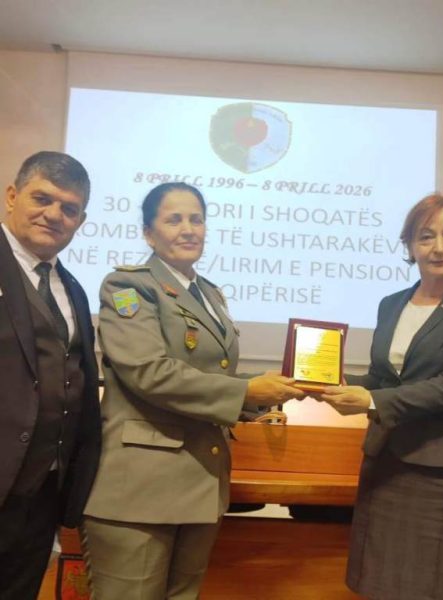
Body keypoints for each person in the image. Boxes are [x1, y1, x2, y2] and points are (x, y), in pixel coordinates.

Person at [82, 181, 303, 600]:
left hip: (200, 483)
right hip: (141, 489)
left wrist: (267, 393)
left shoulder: (210, 294)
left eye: (196, 219)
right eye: (174, 219)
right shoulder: (127, 286)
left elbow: (210, 373)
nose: (188, 229)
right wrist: (245, 392)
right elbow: (148, 372)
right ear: (149, 233)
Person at [321, 194, 443, 600]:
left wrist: (372, 402)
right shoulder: (392, 304)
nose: (439, 247)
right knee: (379, 585)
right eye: (425, 237)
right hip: (387, 467)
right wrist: (325, 381)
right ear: (409, 245)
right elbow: (383, 378)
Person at [0, 151, 101, 600]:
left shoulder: (73, 288)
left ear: (80, 220)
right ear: (12, 196)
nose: (54, 214)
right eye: (42, 199)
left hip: (42, 491)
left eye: (69, 208)